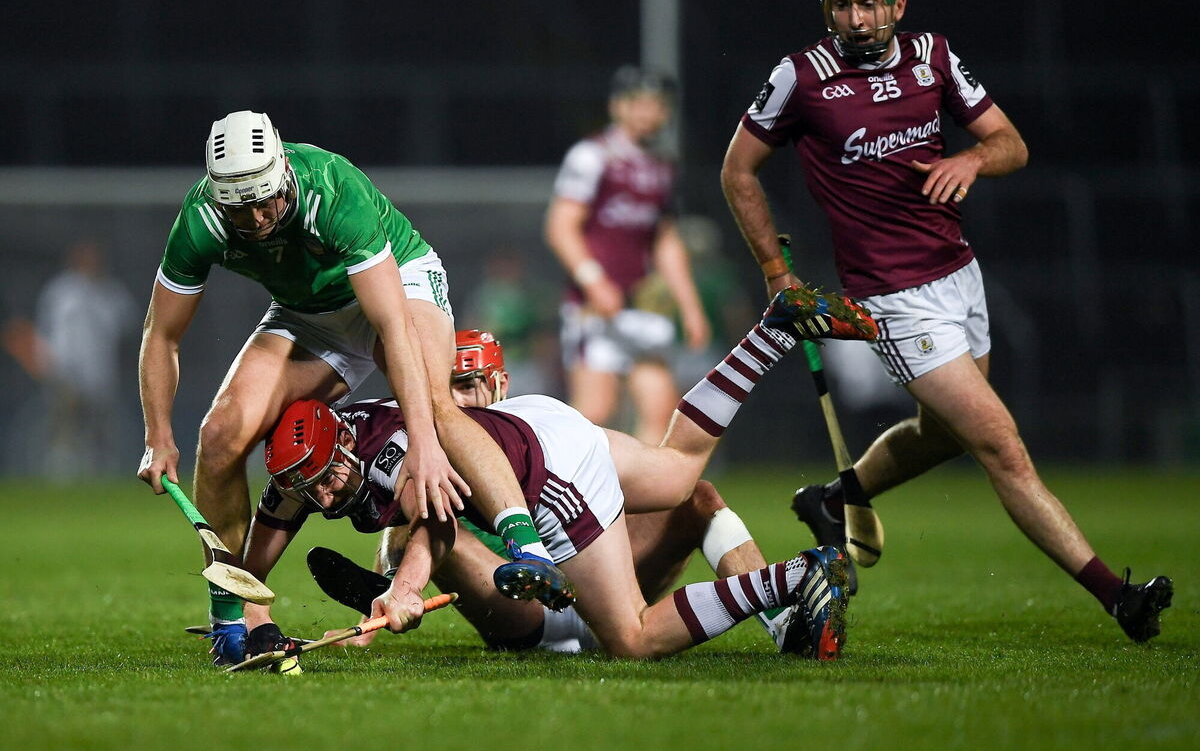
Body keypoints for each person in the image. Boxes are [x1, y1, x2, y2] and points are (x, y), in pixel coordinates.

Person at [718, 0, 1172, 642]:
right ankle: (1120, 597)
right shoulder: (801, 76)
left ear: (898, 6)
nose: (855, 16)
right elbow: (737, 172)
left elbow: (1010, 143)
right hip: (896, 300)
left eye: (869, 3)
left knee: (944, 436)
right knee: (1001, 448)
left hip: (962, 276)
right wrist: (777, 275)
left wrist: (972, 158)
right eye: (842, 2)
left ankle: (835, 498)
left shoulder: (933, 56)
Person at [238, 285, 878, 663]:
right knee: (682, 474)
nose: (322, 494)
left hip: (550, 478)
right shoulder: (322, 448)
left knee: (630, 638)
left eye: (325, 477)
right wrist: (244, 611)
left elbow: (429, 521)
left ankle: (797, 575)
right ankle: (772, 332)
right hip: (542, 429)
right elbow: (277, 516)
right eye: (307, 486)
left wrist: (402, 589)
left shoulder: (387, 459)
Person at [135, 110, 567, 665]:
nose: (260, 217)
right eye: (242, 209)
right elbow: (160, 335)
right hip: (307, 315)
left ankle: (524, 545)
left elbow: (391, 327)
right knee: (219, 435)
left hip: (396, 282)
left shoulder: (333, 189)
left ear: (284, 173)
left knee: (436, 410)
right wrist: (157, 433)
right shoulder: (201, 219)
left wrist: (426, 446)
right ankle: (233, 617)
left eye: (268, 200)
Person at [545, 66, 711, 443]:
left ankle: (639, 502)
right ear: (617, 106)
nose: (648, 112)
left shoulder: (662, 165)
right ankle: (559, 494)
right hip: (593, 308)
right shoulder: (592, 156)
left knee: (661, 413)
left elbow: (665, 241)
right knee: (594, 412)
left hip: (641, 305)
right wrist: (594, 281)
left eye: (657, 104)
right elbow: (561, 226)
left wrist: (690, 306)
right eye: (639, 103)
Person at [2, 240, 138, 477]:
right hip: (65, 370)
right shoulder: (61, 291)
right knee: (65, 426)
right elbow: (48, 331)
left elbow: (131, 325)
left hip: (100, 375)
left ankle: (102, 473)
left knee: (101, 429)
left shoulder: (110, 293)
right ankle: (62, 473)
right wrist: (47, 364)